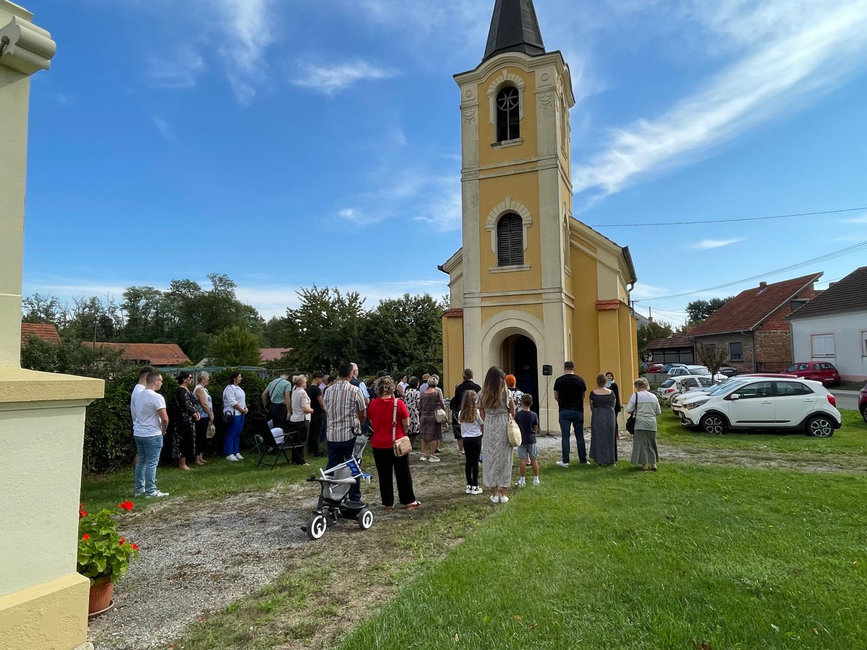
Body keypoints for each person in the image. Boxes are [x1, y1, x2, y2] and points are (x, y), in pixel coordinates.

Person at [367, 376, 422, 511]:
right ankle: (408, 500)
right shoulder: (398, 403)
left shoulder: (373, 404)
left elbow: (372, 423)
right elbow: (406, 423)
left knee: (384, 475)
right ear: (392, 388)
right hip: (397, 442)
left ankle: (388, 503)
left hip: (378, 444)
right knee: (403, 472)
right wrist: (403, 433)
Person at [323, 361, 367, 502]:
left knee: (332, 466)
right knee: (353, 465)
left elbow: (326, 410)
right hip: (350, 434)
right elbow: (362, 412)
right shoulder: (355, 390)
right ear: (351, 374)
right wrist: (359, 424)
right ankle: (354, 497)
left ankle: (330, 495)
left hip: (332, 434)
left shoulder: (328, 390)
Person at [478, 366, 515, 504]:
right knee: (505, 459)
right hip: (503, 424)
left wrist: (486, 424)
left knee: (491, 458)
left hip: (489, 425)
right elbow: (512, 411)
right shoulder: (506, 393)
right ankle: (504, 493)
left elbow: (481, 413)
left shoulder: (482, 393)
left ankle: (494, 493)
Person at [132, 371, 169, 498]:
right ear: (155, 381)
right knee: (152, 463)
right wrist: (163, 429)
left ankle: (139, 489)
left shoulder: (138, 395)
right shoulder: (156, 397)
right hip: (152, 433)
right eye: (161, 381)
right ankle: (151, 490)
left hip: (139, 432)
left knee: (141, 461)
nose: (161, 383)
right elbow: (164, 418)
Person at [553, 361, 588, 467]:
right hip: (578, 410)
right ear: (574, 368)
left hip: (564, 410)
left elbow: (556, 396)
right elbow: (583, 395)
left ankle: (565, 461)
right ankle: (583, 460)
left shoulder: (559, 381)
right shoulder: (580, 380)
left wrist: (562, 401)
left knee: (565, 436)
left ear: (564, 368)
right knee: (580, 436)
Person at [626, 378, 662, 471]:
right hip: (652, 423)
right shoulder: (653, 397)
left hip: (640, 423)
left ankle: (645, 465)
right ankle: (653, 464)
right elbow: (658, 411)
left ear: (638, 386)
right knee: (651, 443)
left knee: (641, 443)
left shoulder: (635, 396)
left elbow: (629, 409)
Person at [173, 371, 201, 471]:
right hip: (183, 420)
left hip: (189, 419)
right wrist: (193, 412)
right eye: (190, 378)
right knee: (182, 440)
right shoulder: (180, 391)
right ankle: (182, 463)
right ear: (184, 379)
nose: (191, 379)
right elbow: (184, 404)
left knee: (188, 439)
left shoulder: (187, 390)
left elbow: (192, 403)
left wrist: (196, 412)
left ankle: (186, 461)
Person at [458, 389, 484, 495]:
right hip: (476, 437)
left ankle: (469, 484)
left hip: (466, 438)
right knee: (475, 461)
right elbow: (481, 424)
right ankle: (475, 485)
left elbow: (460, 424)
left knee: (468, 461)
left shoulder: (461, 413)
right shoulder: (476, 412)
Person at [130, 365, 156, 468]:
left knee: (141, 453)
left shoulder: (137, 389)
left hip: (140, 426)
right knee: (142, 455)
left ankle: (140, 473)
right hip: (143, 426)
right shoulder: (141, 391)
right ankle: (140, 474)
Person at [589, 373, 617, 466]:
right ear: (605, 381)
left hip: (597, 415)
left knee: (598, 436)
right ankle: (611, 459)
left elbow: (591, 406)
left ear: (597, 382)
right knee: (610, 437)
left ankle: (599, 459)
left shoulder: (593, 393)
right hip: (609, 415)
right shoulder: (611, 393)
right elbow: (613, 404)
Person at [452, 369, 481, 455]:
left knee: (459, 431)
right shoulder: (477, 387)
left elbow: (456, 400)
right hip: (474, 411)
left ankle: (461, 449)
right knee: (476, 428)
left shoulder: (459, 388)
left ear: (463, 377)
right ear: (472, 376)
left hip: (462, 411)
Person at [418, 374, 446, 462]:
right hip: (433, 416)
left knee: (423, 436)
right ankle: (432, 455)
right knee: (434, 436)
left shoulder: (423, 394)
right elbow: (442, 404)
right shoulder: (437, 393)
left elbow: (419, 406)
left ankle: (423, 454)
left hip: (424, 416)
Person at [515, 393, 540, 486]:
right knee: (534, 459)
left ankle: (522, 480)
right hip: (531, 439)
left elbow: (515, 427)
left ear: (521, 402)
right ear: (531, 403)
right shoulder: (534, 415)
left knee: (523, 460)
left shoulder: (518, 415)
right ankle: (536, 479)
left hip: (521, 439)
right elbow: (536, 428)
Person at [222, 371, 248, 462]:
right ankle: (229, 453)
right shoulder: (229, 388)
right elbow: (232, 402)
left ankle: (236, 451)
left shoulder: (239, 388)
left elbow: (242, 400)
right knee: (231, 432)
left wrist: (245, 408)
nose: (241, 378)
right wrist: (241, 409)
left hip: (240, 414)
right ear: (234, 378)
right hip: (233, 414)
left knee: (237, 433)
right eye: (239, 377)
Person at [287, 374, 313, 465]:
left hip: (294, 418)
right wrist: (312, 410)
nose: (306, 383)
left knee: (295, 441)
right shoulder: (303, 393)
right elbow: (305, 408)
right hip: (302, 419)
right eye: (305, 382)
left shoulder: (294, 389)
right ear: (301, 383)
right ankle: (301, 461)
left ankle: (295, 459)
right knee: (302, 441)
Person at [192, 372, 214, 465]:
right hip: (201, 416)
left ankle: (201, 457)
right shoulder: (199, 389)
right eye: (207, 378)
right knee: (199, 437)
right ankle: (197, 458)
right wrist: (210, 414)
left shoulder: (204, 389)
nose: (208, 379)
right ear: (203, 379)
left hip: (205, 416)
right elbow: (204, 404)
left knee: (203, 437)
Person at [307, 371, 326, 457]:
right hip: (318, 413)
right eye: (321, 379)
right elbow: (321, 403)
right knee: (317, 434)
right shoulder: (316, 389)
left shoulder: (308, 389)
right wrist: (325, 411)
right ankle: (316, 451)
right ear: (317, 378)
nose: (321, 381)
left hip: (311, 413)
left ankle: (310, 450)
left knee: (311, 433)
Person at [606, 371, 622, 440]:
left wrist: (615, 405)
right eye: (608, 376)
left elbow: (616, 396)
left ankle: (616, 434)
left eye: (610, 376)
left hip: (614, 406)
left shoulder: (614, 385)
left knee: (614, 420)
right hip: (607, 406)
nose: (609, 377)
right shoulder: (604, 385)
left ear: (612, 377)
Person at [404, 377, 421, 443]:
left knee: (409, 429)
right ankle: (411, 443)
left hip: (406, 411)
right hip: (414, 412)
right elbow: (418, 403)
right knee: (414, 430)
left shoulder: (407, 391)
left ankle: (408, 443)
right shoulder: (417, 392)